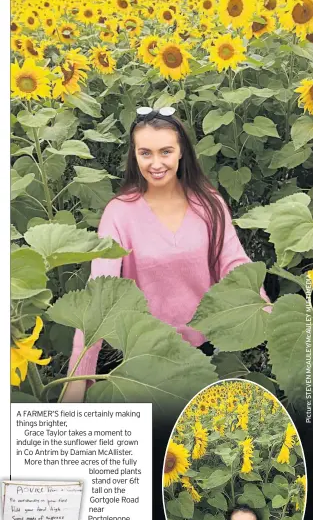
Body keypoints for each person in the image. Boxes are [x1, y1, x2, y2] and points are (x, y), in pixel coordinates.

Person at [63, 107, 271, 402]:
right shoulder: (119, 213)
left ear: (181, 152)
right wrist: (78, 375)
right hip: (146, 352)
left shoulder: (208, 203)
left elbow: (233, 262)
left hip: (207, 346)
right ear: (134, 155)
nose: (156, 163)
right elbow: (100, 294)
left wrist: (264, 309)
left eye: (166, 152)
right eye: (145, 153)